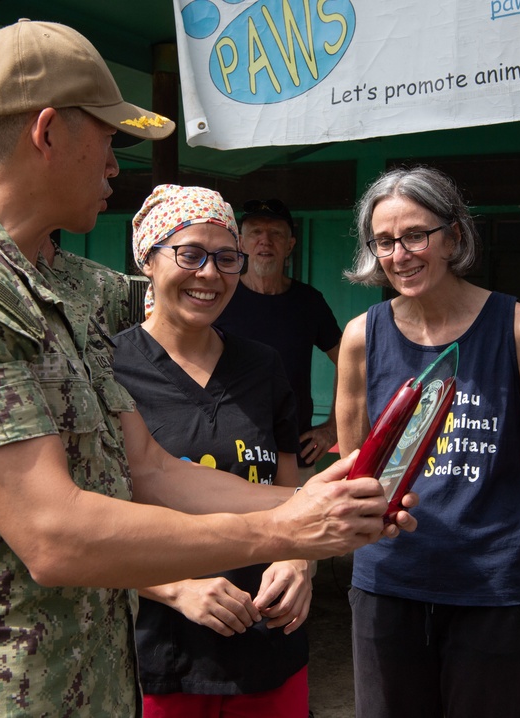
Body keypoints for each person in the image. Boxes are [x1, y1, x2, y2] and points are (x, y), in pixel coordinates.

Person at [0, 20, 415, 717]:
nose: (117, 164)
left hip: (93, 690)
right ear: (49, 132)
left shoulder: (60, 285)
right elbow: (55, 535)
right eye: (110, 138)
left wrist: (318, 502)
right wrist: (286, 533)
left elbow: (150, 468)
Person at [336, 165, 520, 718]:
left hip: (491, 592)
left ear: (454, 236)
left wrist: (516, 541)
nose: (400, 254)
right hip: (388, 583)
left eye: (415, 235)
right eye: (385, 241)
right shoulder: (361, 339)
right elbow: (356, 470)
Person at [112, 184, 311, 717]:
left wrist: (298, 560)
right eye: (190, 254)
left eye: (226, 258)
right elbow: (88, 519)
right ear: (149, 262)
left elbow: (288, 495)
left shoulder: (263, 365)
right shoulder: (108, 368)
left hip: (268, 640)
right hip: (161, 652)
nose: (210, 273)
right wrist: (176, 588)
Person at [215, 198, 343, 475]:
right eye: (256, 233)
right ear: (241, 243)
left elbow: (351, 362)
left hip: (294, 452)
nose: (265, 241)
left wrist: (333, 428)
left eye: (276, 234)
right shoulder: (219, 297)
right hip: (229, 454)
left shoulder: (309, 302)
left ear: (290, 245)